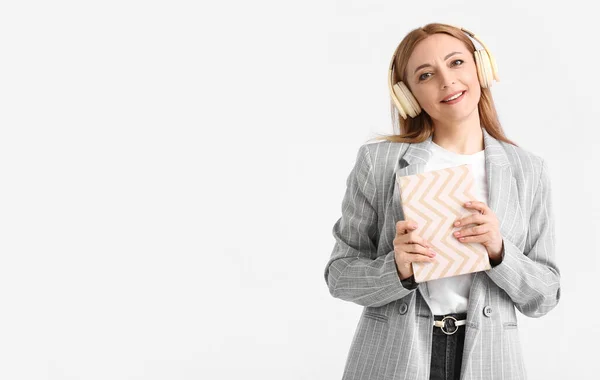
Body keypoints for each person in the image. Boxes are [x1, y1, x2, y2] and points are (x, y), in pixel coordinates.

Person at [323, 23, 560, 380]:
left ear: (482, 68)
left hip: (489, 360)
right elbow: (339, 275)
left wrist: (500, 252)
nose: (447, 81)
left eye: (456, 62)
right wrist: (397, 268)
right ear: (409, 95)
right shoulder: (378, 163)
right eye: (426, 74)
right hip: (393, 357)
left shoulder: (528, 170)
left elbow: (545, 296)